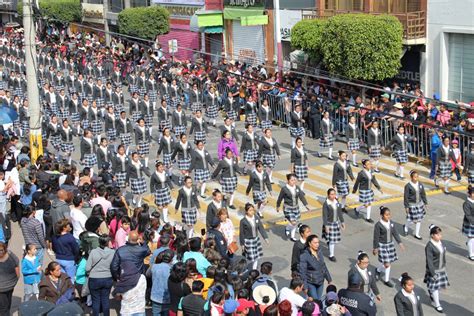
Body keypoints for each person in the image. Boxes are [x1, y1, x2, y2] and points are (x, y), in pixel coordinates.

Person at [373, 207, 405, 288]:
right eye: (386, 215)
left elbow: (395, 233)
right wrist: (375, 248)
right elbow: (376, 237)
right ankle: (386, 280)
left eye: (389, 214)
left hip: (390, 244)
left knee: (388, 263)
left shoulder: (391, 223)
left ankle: (378, 270)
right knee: (387, 264)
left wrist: (400, 243)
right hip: (382, 246)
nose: (388, 216)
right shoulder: (378, 225)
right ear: (381, 215)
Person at [86, 235, 115, 316]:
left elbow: (87, 268)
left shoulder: (93, 252)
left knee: (95, 301)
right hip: (107, 278)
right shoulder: (113, 252)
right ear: (108, 242)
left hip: (94, 279)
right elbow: (114, 266)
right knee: (105, 300)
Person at [277, 173, 310, 242]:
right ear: (288, 181)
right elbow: (280, 198)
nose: (294, 181)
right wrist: (278, 206)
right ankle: (288, 228)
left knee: (296, 221)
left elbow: (301, 196)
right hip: (288, 208)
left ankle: (292, 236)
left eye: (295, 180)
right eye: (292, 180)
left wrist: (306, 205)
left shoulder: (297, 187)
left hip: (296, 208)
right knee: (293, 222)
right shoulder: (284, 189)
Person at [424, 225, 449, 313]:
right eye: (438, 235)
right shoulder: (429, 246)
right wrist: (433, 274)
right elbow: (429, 261)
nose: (440, 236)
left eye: (440, 234)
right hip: (434, 270)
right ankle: (437, 304)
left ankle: (431, 291)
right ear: (432, 235)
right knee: (435, 287)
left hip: (441, 268)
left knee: (437, 287)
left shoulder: (440, 242)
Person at [299, 234, 332, 300]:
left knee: (318, 300)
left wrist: (328, 278)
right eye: (315, 243)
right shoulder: (304, 255)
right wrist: (305, 287)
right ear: (309, 243)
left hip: (320, 282)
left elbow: (323, 265)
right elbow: (302, 272)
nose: (317, 244)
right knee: (315, 301)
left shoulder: (319, 251)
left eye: (318, 242)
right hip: (311, 283)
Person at [239, 203, 269, 270]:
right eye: (250, 210)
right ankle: (245, 268)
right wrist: (242, 244)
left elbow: (261, 228)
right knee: (250, 257)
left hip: (256, 240)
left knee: (256, 257)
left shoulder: (256, 218)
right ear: (246, 211)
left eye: (253, 210)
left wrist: (265, 238)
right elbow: (242, 233)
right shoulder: (243, 221)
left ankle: (254, 269)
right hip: (248, 241)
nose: (252, 212)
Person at [403, 170, 428, 240]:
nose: (416, 178)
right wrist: (406, 206)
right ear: (411, 177)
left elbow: (423, 194)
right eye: (414, 177)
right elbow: (406, 197)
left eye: (417, 177)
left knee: (419, 220)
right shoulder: (408, 186)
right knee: (411, 219)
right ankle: (405, 227)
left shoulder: (420, 184)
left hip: (419, 204)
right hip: (412, 205)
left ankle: (417, 234)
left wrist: (425, 202)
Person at [322, 188, 345, 262]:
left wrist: (342, 222)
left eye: (334, 194)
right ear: (328, 195)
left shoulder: (336, 202)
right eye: (331, 194)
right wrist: (326, 226)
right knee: (332, 241)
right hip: (329, 224)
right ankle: (331, 255)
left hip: (335, 223)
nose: (333, 196)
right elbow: (324, 216)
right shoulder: (326, 204)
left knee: (332, 240)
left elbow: (339, 213)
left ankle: (329, 244)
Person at [149, 249, 174, 316]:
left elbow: (148, 274)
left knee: (156, 313)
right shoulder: (172, 270)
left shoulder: (154, 266)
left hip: (155, 297)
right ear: (171, 259)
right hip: (167, 298)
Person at [0, 242, 19, 315]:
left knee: (8, 304)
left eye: (1, 250)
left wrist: (16, 277)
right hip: (1, 289)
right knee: (4, 307)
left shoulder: (10, 256)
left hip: (10, 286)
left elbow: (16, 263)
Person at [463, 185, 474, 261]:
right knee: (471, 238)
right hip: (470, 223)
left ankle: (468, 243)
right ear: (469, 194)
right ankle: (471, 254)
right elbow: (468, 215)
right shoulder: (466, 203)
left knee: (472, 239)